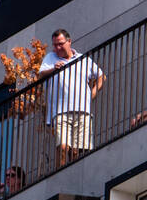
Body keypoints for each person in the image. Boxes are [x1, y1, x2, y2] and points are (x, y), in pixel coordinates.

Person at [38, 28, 105, 168]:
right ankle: (60, 174)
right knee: (62, 146)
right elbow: (41, 75)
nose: (57, 48)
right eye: (55, 45)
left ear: (69, 41)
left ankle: (75, 175)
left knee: (77, 150)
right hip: (60, 111)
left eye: (60, 44)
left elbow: (101, 76)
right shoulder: (51, 57)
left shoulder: (83, 59)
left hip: (82, 109)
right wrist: (53, 69)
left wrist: (93, 92)